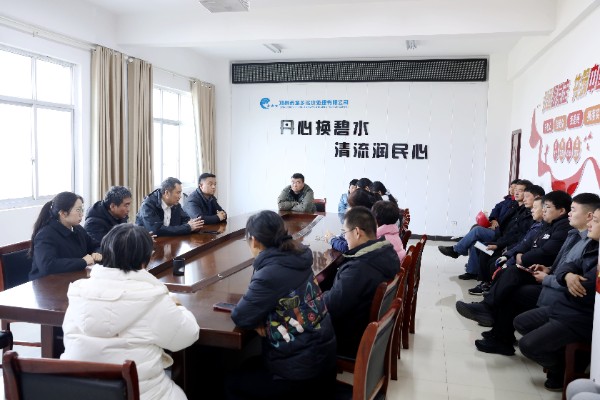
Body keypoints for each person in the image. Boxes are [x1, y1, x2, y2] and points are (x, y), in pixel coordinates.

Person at [61, 224, 199, 400]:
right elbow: (186, 336)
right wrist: (178, 306)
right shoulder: (151, 296)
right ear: (145, 260)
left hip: (77, 392)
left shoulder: (79, 291)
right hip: (140, 394)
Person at [455, 193, 598, 356]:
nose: (570, 214)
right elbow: (563, 265)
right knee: (511, 275)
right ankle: (497, 330)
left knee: (514, 284)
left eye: (573, 210)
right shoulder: (574, 234)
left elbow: (576, 280)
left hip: (559, 292)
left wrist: (548, 276)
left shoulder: (586, 241)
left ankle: (495, 323)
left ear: (588, 216)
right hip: (552, 280)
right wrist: (548, 269)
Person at [227, 211, 336, 399]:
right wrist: (260, 316)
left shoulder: (271, 272)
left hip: (300, 373)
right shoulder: (298, 255)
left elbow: (241, 316)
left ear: (254, 241)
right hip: (323, 359)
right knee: (249, 365)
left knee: (231, 383)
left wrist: (258, 317)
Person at [514, 204, 600, 391]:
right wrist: (568, 275)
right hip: (564, 306)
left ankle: (561, 369)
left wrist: (566, 277)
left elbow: (584, 289)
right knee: (520, 322)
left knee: (527, 345)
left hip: (580, 317)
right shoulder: (592, 244)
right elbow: (567, 267)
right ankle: (561, 365)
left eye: (595, 221)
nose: (590, 225)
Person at [321, 206, 400, 358]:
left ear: (357, 232)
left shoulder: (359, 269)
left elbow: (330, 306)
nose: (344, 238)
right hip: (367, 329)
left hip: (349, 338)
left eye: (345, 233)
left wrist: (316, 296)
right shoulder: (387, 252)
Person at [438, 179, 533, 280]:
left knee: (477, 230)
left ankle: (456, 251)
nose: (515, 192)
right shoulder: (513, 205)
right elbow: (496, 210)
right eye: (514, 189)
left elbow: (515, 235)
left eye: (520, 190)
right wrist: (493, 220)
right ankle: (472, 271)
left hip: (501, 238)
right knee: (476, 242)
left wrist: (498, 243)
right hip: (499, 233)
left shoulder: (525, 213)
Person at [29, 191, 101, 281]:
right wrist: (83, 262)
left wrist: (97, 253)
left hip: (72, 278)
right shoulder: (45, 235)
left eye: (82, 209)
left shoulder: (78, 229)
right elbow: (48, 266)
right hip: (47, 283)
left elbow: (96, 245)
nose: (82, 214)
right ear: (63, 213)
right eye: (78, 210)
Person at [136, 177, 204, 236]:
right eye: (178, 193)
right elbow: (156, 230)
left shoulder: (175, 204)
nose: (180, 196)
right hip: (148, 243)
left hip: (170, 241)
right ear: (167, 193)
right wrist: (188, 227)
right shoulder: (148, 205)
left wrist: (195, 225)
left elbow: (186, 220)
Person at [325, 189, 379, 253]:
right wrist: (338, 237)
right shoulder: (369, 216)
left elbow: (347, 247)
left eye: (350, 206)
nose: (348, 208)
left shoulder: (363, 221)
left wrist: (332, 239)